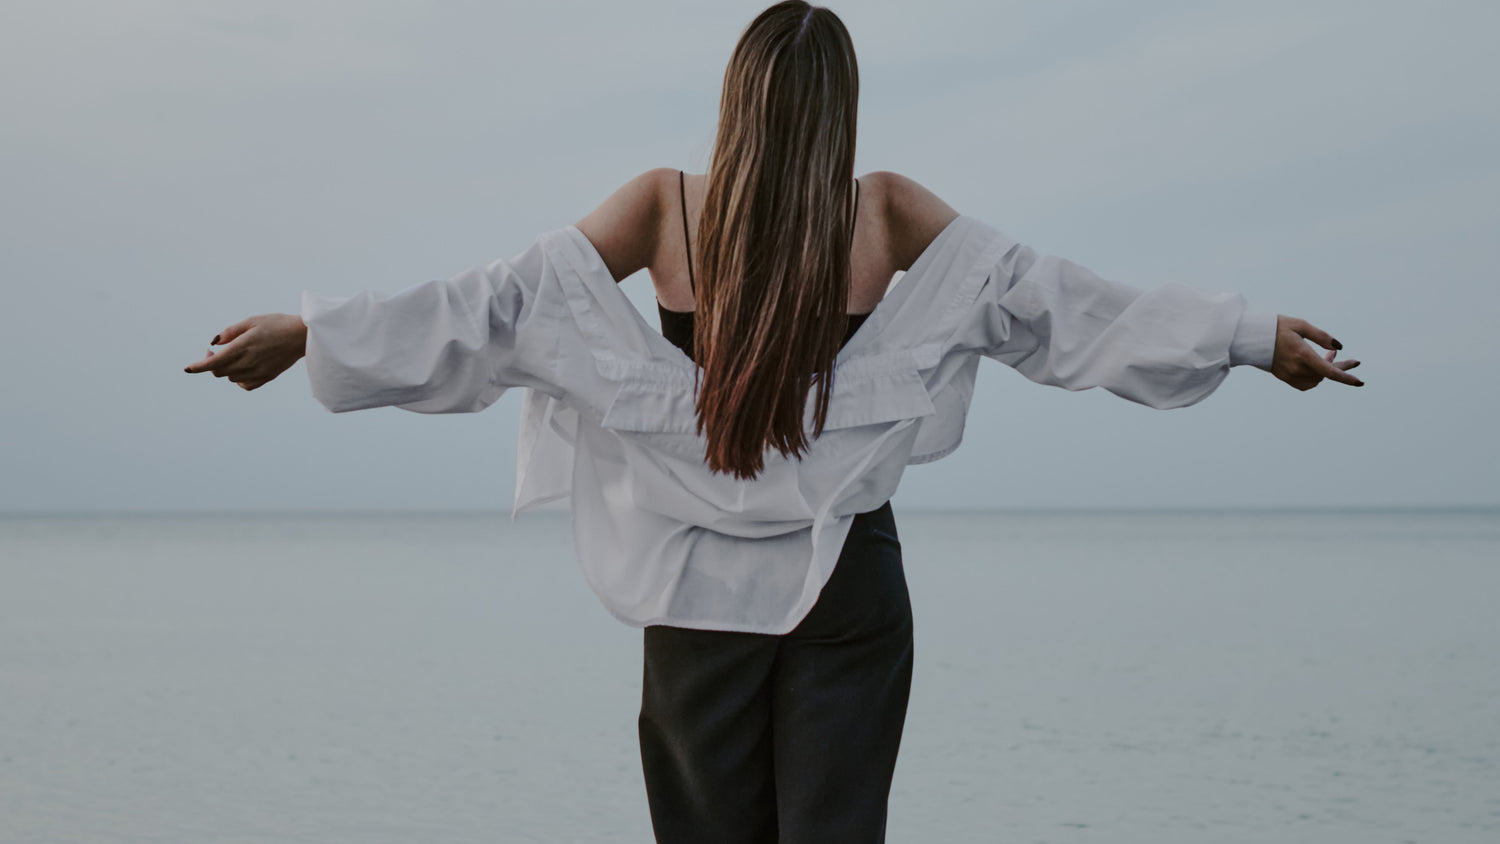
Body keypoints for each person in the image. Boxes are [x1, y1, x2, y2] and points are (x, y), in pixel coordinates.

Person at [184, 2, 1362, 841]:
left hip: (689, 589)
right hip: (850, 578)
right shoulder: (887, 212)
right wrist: (1249, 337)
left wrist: (314, 334)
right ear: (839, 110)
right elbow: (1062, 308)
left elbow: (492, 312)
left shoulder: (665, 208)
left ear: (736, 103)